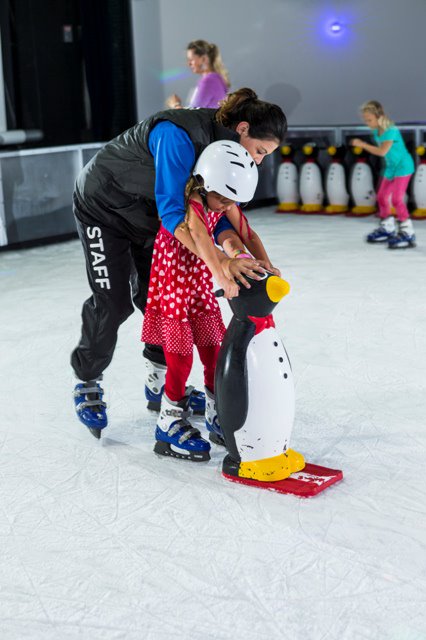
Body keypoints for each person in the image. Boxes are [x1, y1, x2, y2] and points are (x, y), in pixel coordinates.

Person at [71, 87, 287, 438]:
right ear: (243, 129)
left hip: (144, 216)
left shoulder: (224, 155)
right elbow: (173, 213)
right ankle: (87, 379)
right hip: (103, 207)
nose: (259, 160)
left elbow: (223, 218)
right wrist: (219, 262)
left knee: (158, 299)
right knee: (112, 302)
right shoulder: (179, 135)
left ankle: (159, 379)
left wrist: (246, 259)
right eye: (260, 151)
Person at [141, 140, 280, 461]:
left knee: (213, 350)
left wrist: (266, 264)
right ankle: (169, 420)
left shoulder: (222, 199)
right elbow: (200, 235)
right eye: (222, 197)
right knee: (180, 356)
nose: (224, 205)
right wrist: (221, 272)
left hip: (199, 283)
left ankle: (218, 411)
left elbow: (247, 234)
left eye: (232, 200)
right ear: (206, 182)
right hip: (175, 282)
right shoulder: (194, 202)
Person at [350, 100, 416, 249]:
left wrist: (362, 144)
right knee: (381, 196)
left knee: (397, 199)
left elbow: (382, 152)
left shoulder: (390, 130)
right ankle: (388, 227)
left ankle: (407, 231)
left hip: (403, 167)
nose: (367, 123)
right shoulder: (376, 131)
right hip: (392, 167)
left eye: (369, 120)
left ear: (378, 116)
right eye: (365, 120)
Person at [165, 40, 230, 109]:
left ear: (204, 59)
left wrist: (175, 104)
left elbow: (191, 116)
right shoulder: (216, 78)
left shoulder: (208, 81)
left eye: (191, 60)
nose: (189, 64)